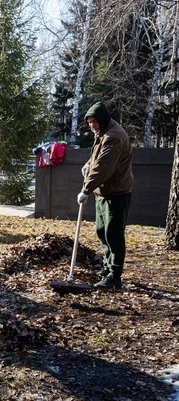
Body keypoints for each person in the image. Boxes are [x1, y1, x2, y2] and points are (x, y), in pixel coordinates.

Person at [77, 101, 133, 290]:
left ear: (103, 119)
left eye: (95, 121)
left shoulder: (114, 136)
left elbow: (103, 167)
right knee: (101, 231)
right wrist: (88, 163)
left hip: (116, 192)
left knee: (113, 233)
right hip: (104, 191)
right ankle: (107, 266)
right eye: (89, 122)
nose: (92, 125)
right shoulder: (103, 132)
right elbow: (98, 158)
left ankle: (114, 276)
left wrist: (86, 189)